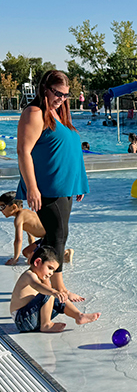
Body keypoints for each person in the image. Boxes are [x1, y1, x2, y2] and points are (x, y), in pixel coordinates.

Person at [17, 70, 88, 302]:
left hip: (64, 186)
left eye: (65, 95)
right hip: (46, 187)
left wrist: (77, 182)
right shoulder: (35, 112)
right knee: (58, 236)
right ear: (44, 88)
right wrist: (32, 187)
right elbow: (23, 151)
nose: (61, 98)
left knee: (58, 235)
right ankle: (60, 288)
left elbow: (68, 151)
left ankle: (36, 266)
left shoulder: (58, 114)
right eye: (57, 93)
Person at [9, 246, 99, 333]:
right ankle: (46, 325)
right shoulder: (29, 275)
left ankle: (79, 316)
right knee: (49, 292)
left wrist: (58, 294)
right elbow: (37, 286)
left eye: (53, 271)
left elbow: (49, 294)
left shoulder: (40, 277)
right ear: (37, 262)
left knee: (57, 297)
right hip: (22, 319)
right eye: (50, 268)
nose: (51, 273)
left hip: (31, 319)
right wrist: (53, 292)